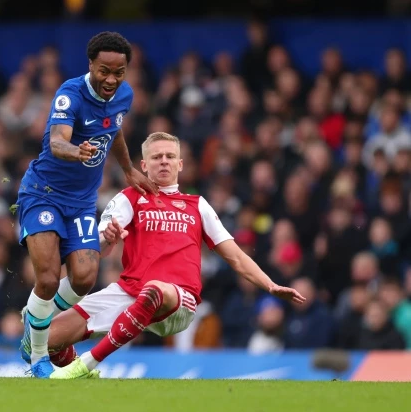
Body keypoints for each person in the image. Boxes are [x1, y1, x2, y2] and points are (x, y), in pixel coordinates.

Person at [33, 131, 306, 379]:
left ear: (180, 164)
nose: (164, 161)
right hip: (131, 291)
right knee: (48, 340)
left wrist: (269, 284)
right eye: (156, 157)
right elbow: (100, 251)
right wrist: (108, 238)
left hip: (178, 298)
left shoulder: (197, 205)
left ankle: (85, 366)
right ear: (143, 165)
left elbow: (235, 256)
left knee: (153, 290)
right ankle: (83, 378)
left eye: (170, 156)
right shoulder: (129, 198)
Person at [16, 31, 158, 378]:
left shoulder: (124, 94)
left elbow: (116, 131)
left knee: (83, 278)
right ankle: (36, 357)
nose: (111, 79)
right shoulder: (70, 94)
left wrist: (127, 170)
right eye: (104, 71)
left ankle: (34, 318)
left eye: (119, 72)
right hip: (43, 193)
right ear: (91, 64)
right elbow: (57, 141)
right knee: (48, 281)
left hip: (81, 203)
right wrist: (76, 151)